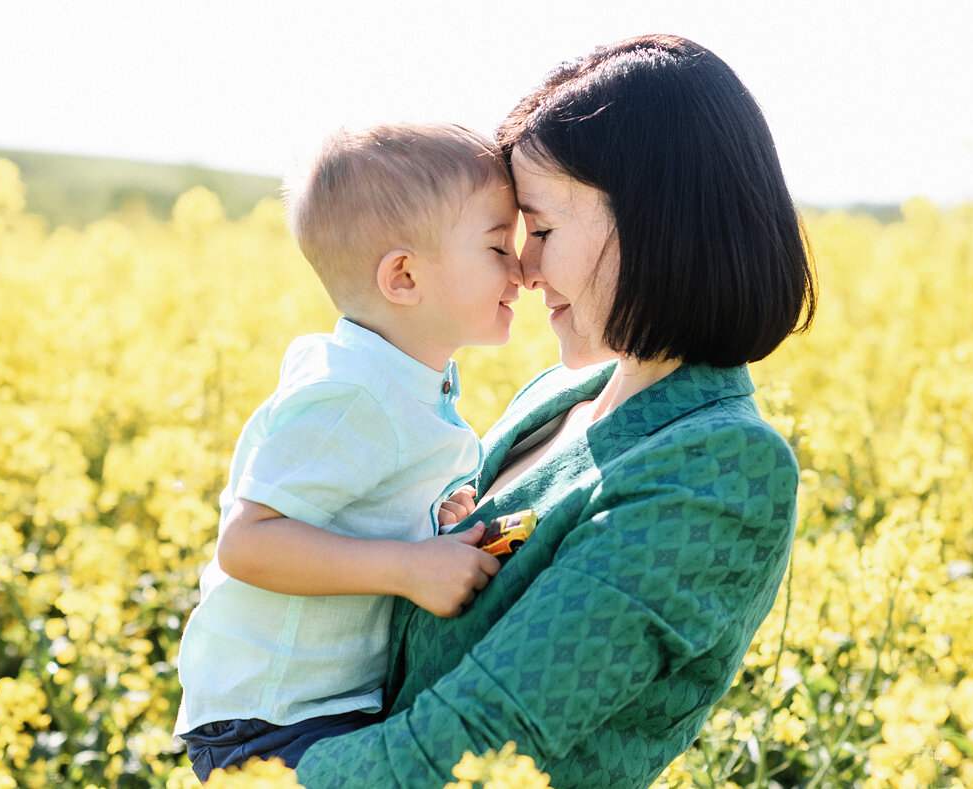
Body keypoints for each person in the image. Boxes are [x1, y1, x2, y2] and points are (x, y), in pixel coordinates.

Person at [296, 33, 817, 788]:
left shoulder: (724, 470)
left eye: (540, 229)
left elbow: (472, 743)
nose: (524, 270)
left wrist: (257, 774)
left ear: (653, 220)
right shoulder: (558, 394)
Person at [173, 122, 522, 780]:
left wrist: (433, 521)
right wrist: (408, 567)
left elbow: (356, 503)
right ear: (404, 276)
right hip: (268, 719)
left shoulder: (407, 377)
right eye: (498, 246)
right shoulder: (351, 393)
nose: (524, 269)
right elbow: (247, 543)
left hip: (321, 705)